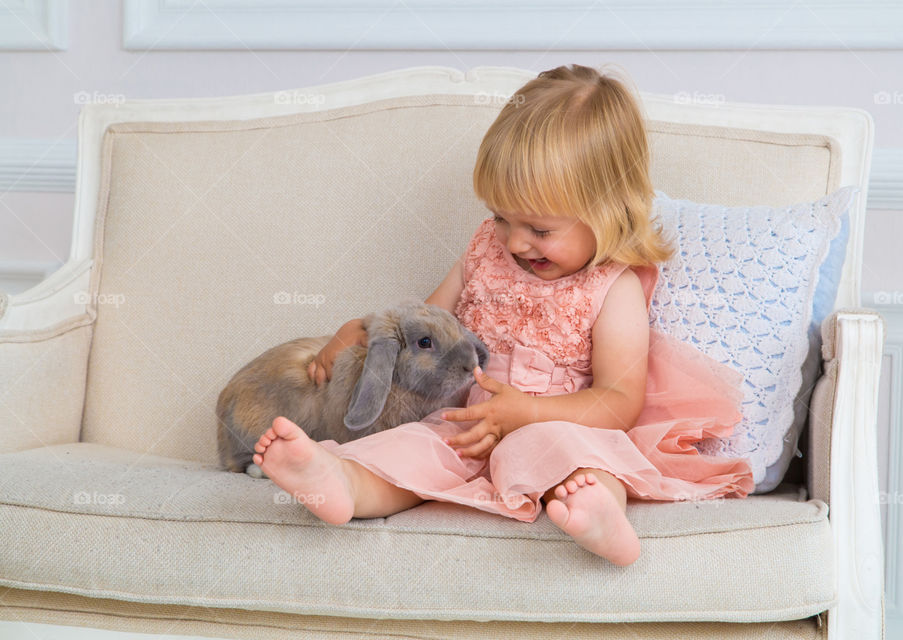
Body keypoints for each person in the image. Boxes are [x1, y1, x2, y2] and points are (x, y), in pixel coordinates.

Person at [253, 64, 754, 567]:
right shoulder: (484, 254)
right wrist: (358, 332)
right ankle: (340, 483)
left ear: (607, 210)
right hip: (465, 422)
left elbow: (619, 403)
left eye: (538, 228)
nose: (514, 242)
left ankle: (600, 514)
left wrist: (528, 413)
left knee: (576, 458)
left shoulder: (613, 287)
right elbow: (422, 325)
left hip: (556, 421)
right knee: (409, 448)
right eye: (501, 218)